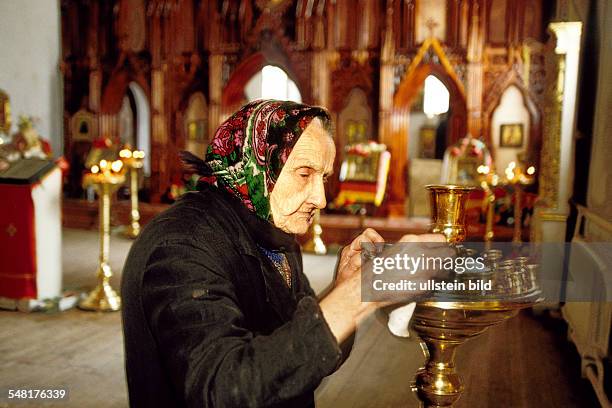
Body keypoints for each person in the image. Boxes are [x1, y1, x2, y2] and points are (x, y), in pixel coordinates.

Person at [121, 99, 447, 408]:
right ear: (258, 162)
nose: (320, 198)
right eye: (304, 174)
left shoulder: (272, 226)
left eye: (324, 177)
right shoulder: (181, 245)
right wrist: (358, 296)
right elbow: (224, 388)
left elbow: (292, 358)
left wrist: (346, 285)